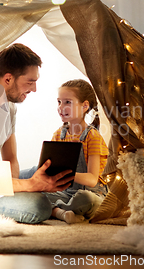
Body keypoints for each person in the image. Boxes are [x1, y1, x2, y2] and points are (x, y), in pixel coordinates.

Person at [0, 43, 73, 224]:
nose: (34, 89)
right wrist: (31, 186)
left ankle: (59, 202)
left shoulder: (8, 105)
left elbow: (10, 158)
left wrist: (24, 185)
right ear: (8, 79)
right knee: (37, 206)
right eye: (30, 82)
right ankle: (55, 206)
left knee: (49, 172)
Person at [46, 79, 109, 224]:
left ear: (85, 106)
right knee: (37, 197)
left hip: (91, 192)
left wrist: (66, 173)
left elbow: (92, 180)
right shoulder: (58, 135)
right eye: (59, 102)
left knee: (85, 199)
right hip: (65, 192)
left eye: (67, 102)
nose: (61, 107)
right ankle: (65, 213)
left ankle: (61, 211)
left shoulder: (92, 136)